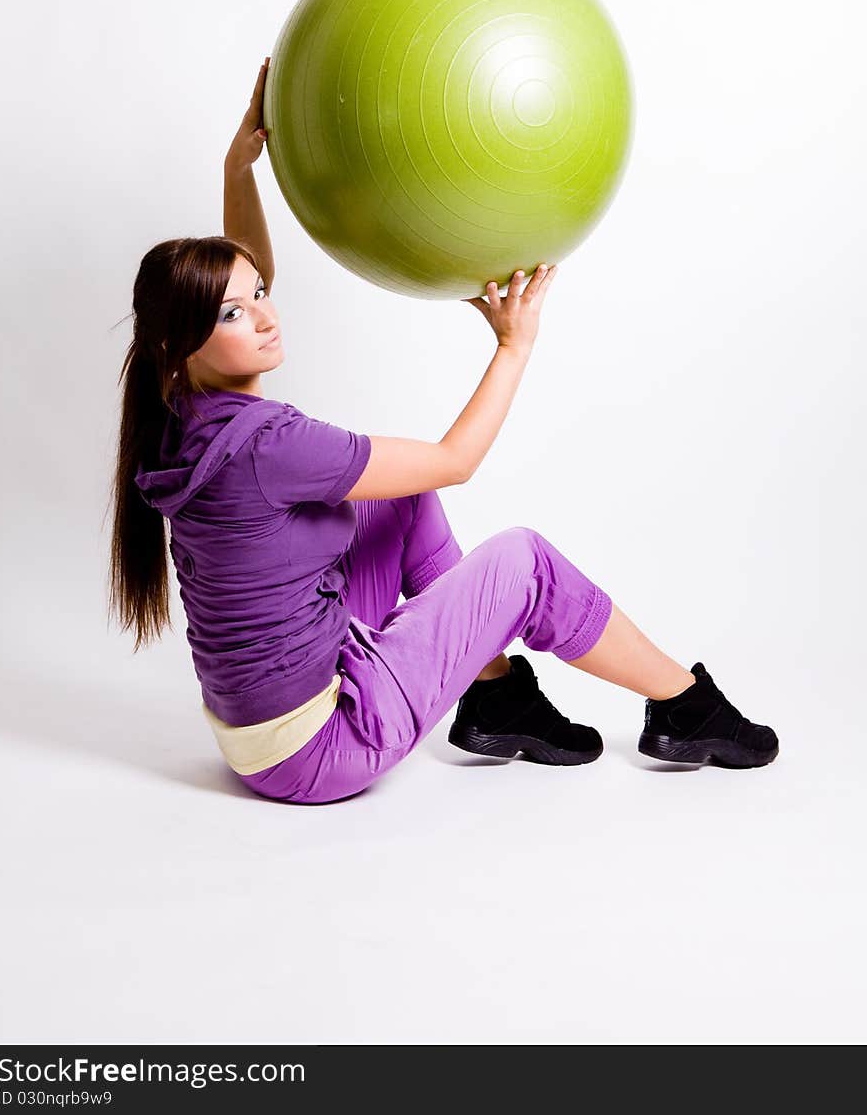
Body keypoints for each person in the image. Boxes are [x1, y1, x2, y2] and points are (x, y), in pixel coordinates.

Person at [107, 59, 779, 805]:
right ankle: (685, 706)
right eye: (235, 313)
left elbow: (232, 288)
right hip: (328, 746)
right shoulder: (270, 444)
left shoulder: (179, 418)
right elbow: (456, 461)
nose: (266, 314)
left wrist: (240, 167)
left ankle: (495, 699)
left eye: (260, 294)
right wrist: (513, 345)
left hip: (259, 739)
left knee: (398, 498)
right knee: (524, 561)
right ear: (185, 343)